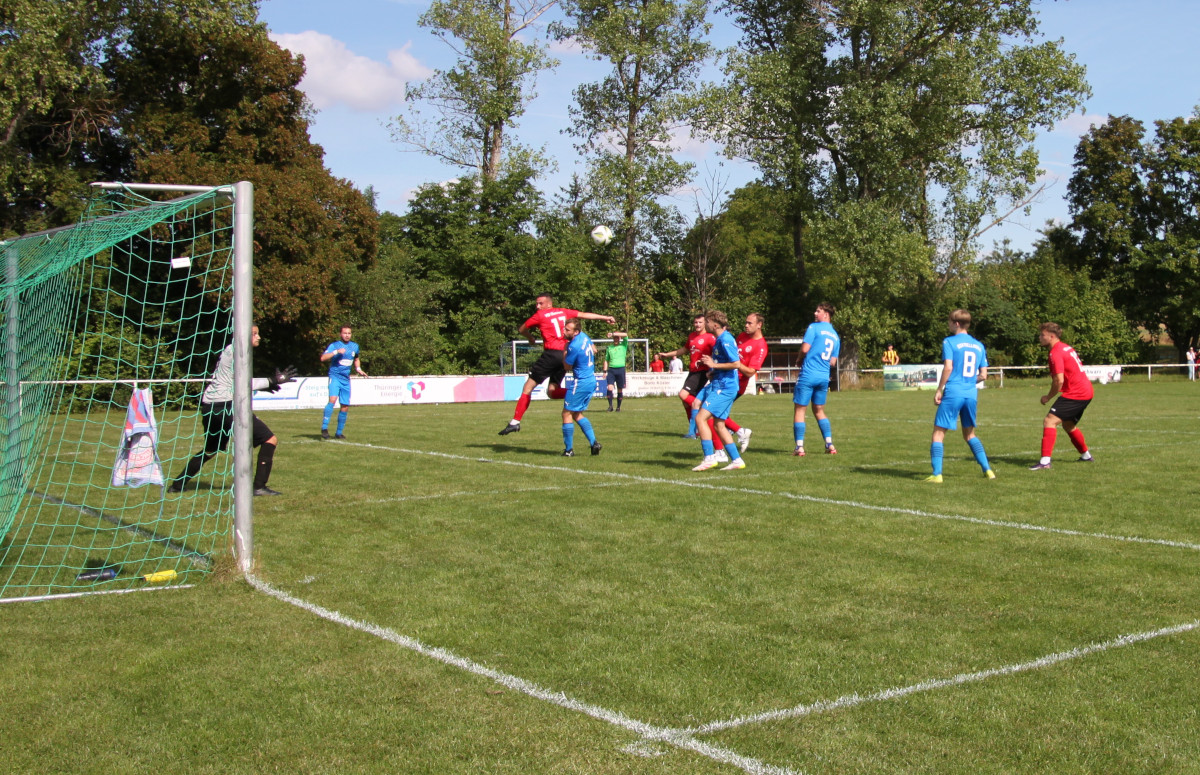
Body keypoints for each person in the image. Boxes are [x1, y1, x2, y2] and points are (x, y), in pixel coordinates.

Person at [168, 325, 296, 496]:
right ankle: (258, 486)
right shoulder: (240, 352)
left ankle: (177, 484)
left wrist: (266, 385)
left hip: (209, 407)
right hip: (228, 407)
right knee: (270, 440)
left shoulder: (230, 349)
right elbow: (242, 383)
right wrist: (274, 380)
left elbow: (234, 380)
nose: (258, 337)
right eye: (254, 334)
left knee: (210, 450)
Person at [499, 294, 616, 436]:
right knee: (552, 392)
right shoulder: (563, 312)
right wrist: (606, 318)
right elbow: (584, 315)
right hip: (564, 355)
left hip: (551, 355)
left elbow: (522, 329)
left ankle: (515, 422)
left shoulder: (540, 315)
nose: (538, 306)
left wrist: (530, 338)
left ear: (549, 304)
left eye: (540, 303)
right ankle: (577, 393)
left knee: (527, 388)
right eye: (537, 304)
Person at [926, 309, 995, 482]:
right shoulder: (979, 345)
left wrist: (939, 388)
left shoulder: (949, 342)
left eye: (949, 321)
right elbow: (983, 375)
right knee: (970, 434)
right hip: (971, 394)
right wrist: (968, 381)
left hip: (954, 392)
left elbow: (948, 367)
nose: (948, 324)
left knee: (938, 433)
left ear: (956, 323)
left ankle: (937, 474)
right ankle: (988, 470)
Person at [692, 310, 754, 471]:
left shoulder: (726, 339)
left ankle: (709, 457)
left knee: (700, 418)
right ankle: (737, 460)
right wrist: (712, 370)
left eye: (707, 321)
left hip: (724, 388)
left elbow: (735, 363)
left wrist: (714, 365)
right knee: (719, 425)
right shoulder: (720, 339)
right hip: (722, 384)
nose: (705, 324)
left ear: (715, 324)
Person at [698, 313, 768, 452]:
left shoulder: (761, 346)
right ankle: (737, 435)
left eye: (750, 323)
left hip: (735, 384)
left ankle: (719, 451)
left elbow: (750, 372)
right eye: (746, 322)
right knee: (712, 414)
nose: (746, 325)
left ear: (759, 325)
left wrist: (735, 364)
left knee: (709, 415)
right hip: (724, 377)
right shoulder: (742, 336)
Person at [1030, 322, 1094, 470]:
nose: (1040, 337)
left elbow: (1059, 380)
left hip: (1077, 392)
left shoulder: (1056, 352)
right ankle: (1086, 456)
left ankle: (1045, 462)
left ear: (1051, 336)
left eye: (1042, 335)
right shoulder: (1065, 347)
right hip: (1085, 391)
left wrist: (1048, 397)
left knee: (1049, 421)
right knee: (1068, 424)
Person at [792, 303, 841, 456]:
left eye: (818, 311)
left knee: (800, 409)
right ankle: (829, 444)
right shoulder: (835, 336)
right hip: (823, 376)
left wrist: (800, 358)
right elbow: (833, 361)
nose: (815, 313)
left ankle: (799, 447)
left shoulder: (814, 327)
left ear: (826, 314)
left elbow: (805, 349)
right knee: (819, 411)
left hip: (808, 374)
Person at [657, 314, 715, 437]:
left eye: (700, 322)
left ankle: (704, 417)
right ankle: (694, 431)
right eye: (695, 322)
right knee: (686, 402)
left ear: (705, 323)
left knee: (683, 395)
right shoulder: (692, 336)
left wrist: (711, 362)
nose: (697, 325)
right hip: (693, 371)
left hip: (702, 371)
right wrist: (667, 354)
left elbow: (717, 353)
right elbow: (683, 350)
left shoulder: (710, 337)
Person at [561, 318, 602, 457]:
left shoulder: (574, 346)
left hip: (581, 381)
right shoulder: (584, 336)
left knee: (566, 413)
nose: (564, 331)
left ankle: (569, 450)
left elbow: (567, 366)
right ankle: (594, 443)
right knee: (576, 414)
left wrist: (565, 350)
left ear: (576, 331)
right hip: (591, 380)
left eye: (567, 330)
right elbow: (594, 349)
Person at [320, 324, 368, 440]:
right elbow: (323, 358)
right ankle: (324, 428)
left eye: (349, 333)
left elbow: (356, 358)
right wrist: (336, 352)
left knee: (345, 405)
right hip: (335, 376)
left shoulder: (355, 346)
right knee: (332, 400)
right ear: (341, 334)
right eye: (345, 333)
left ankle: (339, 432)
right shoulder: (335, 345)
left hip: (345, 379)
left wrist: (358, 369)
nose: (347, 335)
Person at [603, 331, 628, 412]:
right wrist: (604, 371)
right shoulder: (609, 348)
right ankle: (610, 406)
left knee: (620, 389)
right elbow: (606, 360)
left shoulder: (623, 345)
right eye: (615, 338)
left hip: (621, 369)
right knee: (610, 387)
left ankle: (618, 407)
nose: (616, 339)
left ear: (619, 338)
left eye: (617, 337)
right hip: (611, 370)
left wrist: (613, 333)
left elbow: (625, 335)